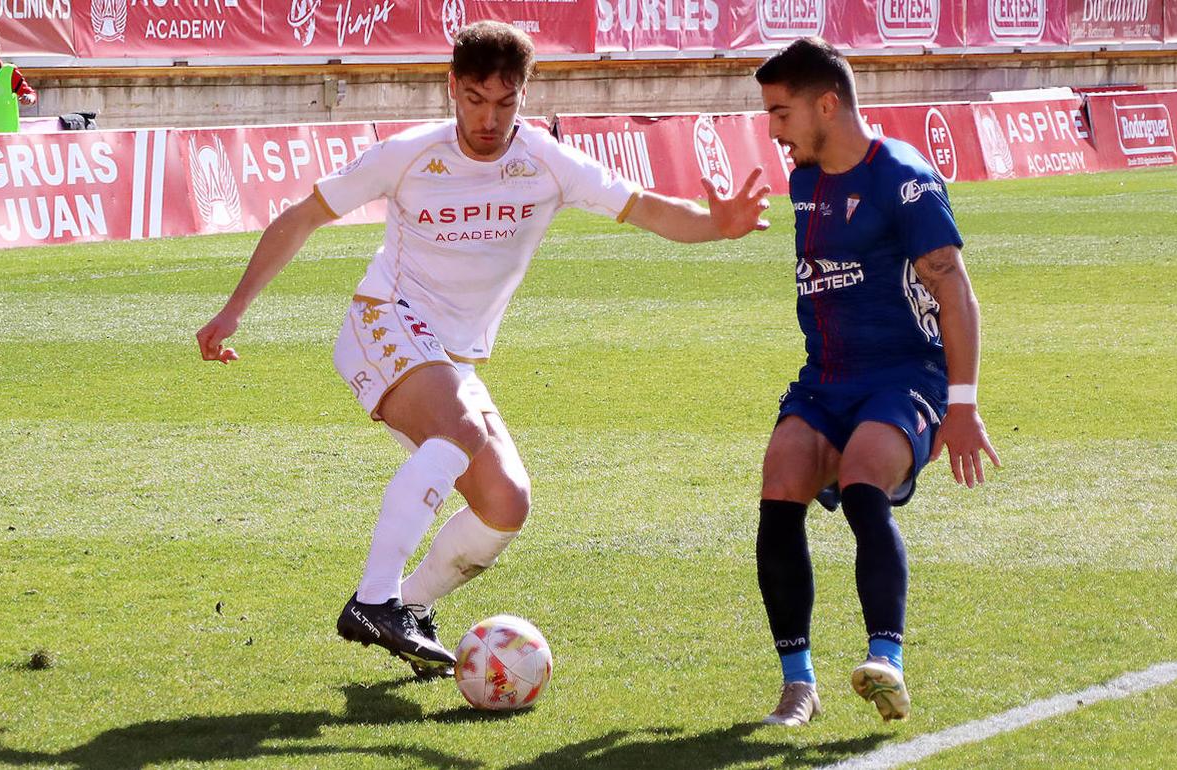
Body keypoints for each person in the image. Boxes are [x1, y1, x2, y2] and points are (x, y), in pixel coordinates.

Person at [196, 21, 771, 677]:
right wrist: (234, 309)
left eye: (505, 101)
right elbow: (302, 215)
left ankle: (408, 606)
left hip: (451, 356)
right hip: (383, 321)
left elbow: (648, 210)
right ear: (452, 88)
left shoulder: (550, 163)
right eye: (474, 98)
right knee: (461, 429)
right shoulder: (410, 153)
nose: (489, 117)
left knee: (505, 503)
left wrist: (716, 227)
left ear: (524, 95)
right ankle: (374, 598)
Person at [750, 38, 1000, 726]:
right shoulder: (804, 180)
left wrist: (963, 405)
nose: (773, 130)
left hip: (902, 377)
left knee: (865, 480)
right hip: (824, 380)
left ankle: (885, 660)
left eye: (781, 113)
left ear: (827, 105)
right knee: (779, 482)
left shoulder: (904, 177)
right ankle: (797, 683)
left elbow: (954, 289)